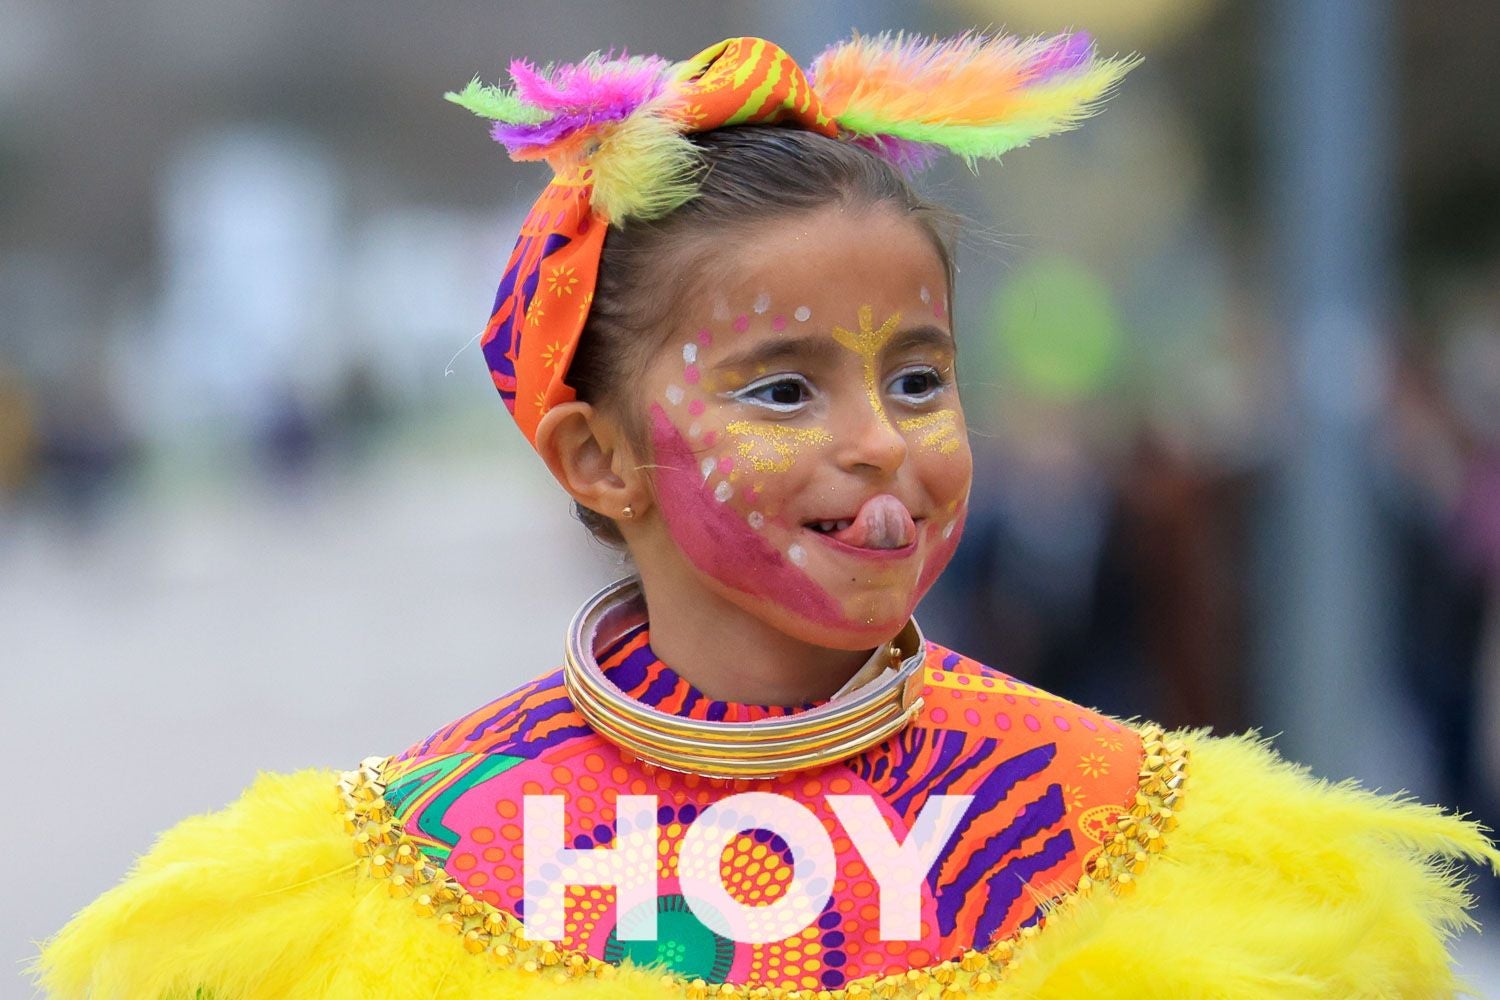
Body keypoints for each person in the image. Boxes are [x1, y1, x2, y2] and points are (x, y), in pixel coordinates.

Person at [35, 32, 1500, 1000]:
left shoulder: (1161, 849)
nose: (885, 446)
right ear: (596, 459)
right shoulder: (380, 889)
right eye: (786, 391)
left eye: (919, 376)